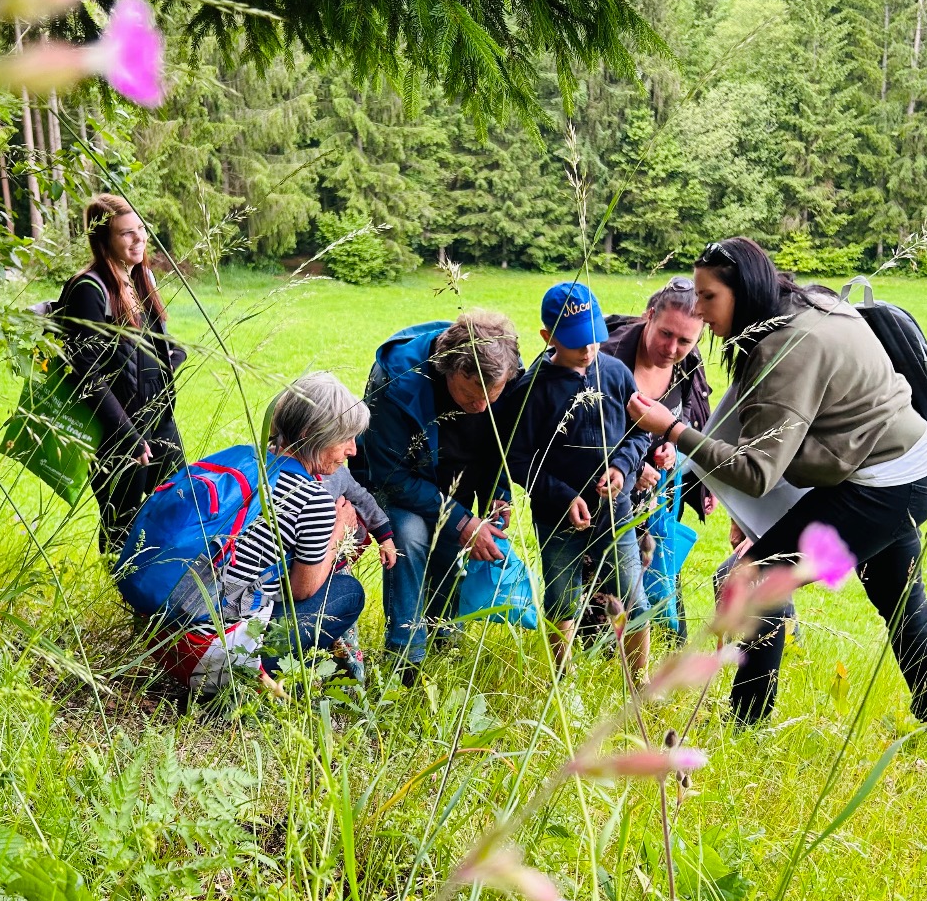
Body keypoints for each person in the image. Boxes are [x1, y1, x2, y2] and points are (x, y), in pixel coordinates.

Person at [626, 237, 927, 725]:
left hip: (886, 482)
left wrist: (674, 430)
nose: (699, 309)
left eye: (709, 297)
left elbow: (758, 471)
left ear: (744, 291)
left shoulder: (784, 347)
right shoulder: (808, 303)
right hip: (912, 466)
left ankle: (747, 724)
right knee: (900, 600)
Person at [154, 372, 370, 696]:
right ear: (311, 433)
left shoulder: (243, 459)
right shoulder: (314, 500)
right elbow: (303, 590)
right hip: (213, 660)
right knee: (349, 592)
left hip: (161, 639)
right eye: (344, 438)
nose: (352, 450)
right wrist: (338, 532)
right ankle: (253, 681)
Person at [351, 312, 524, 683]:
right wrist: (462, 521)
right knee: (411, 539)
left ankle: (444, 635)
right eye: (470, 396)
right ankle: (406, 657)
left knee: (449, 553)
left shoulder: (505, 372)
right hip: (401, 481)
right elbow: (392, 476)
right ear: (449, 370)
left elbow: (498, 441)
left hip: (458, 480)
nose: (481, 407)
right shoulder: (395, 381)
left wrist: (498, 492)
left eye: (490, 397)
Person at [509, 282, 652, 677]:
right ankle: (564, 678)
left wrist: (621, 467)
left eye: (593, 337)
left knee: (632, 594)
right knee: (561, 598)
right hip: (556, 516)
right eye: (575, 343)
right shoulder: (533, 388)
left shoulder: (616, 373)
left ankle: (639, 680)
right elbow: (518, 459)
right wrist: (562, 496)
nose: (588, 350)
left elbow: (641, 431)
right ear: (548, 337)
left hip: (614, 510)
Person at [57, 194, 185, 552]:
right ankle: (120, 584)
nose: (139, 238)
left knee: (179, 506)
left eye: (140, 228)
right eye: (126, 233)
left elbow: (149, 345)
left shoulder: (141, 279)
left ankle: (166, 580)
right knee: (122, 523)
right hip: (117, 431)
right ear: (103, 240)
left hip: (159, 419)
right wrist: (128, 436)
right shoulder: (89, 289)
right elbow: (86, 373)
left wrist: (174, 356)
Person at [603, 276, 714, 520]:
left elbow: (686, 404)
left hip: (658, 502)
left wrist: (672, 441)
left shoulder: (689, 361)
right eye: (665, 333)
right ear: (650, 315)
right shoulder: (609, 360)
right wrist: (633, 467)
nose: (672, 349)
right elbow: (581, 435)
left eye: (685, 341)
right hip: (605, 503)